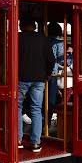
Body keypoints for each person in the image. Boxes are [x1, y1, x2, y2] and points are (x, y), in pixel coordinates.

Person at [17, 18, 55, 153]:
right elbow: (51, 59)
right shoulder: (43, 39)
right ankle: (35, 143)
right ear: (34, 26)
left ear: (21, 26)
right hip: (39, 79)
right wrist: (48, 74)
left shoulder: (17, 38)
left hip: (20, 78)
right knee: (36, 109)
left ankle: (18, 140)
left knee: (17, 108)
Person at [45, 22, 65, 128]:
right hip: (53, 74)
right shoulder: (59, 43)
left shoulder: (43, 41)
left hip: (41, 73)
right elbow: (61, 60)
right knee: (51, 99)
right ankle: (47, 122)